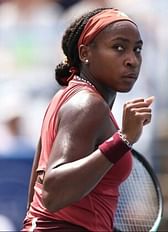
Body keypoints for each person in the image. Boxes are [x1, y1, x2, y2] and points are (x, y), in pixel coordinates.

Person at [22, 8, 154, 231]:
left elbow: (36, 190)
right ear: (85, 53)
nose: (132, 60)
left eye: (137, 49)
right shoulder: (87, 105)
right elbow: (52, 194)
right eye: (118, 48)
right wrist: (123, 140)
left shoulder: (67, 96)